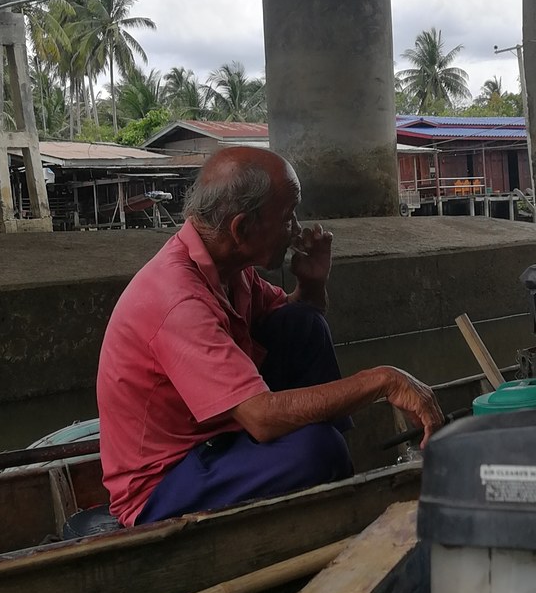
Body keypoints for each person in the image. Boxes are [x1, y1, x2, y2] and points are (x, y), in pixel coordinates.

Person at [96, 146, 444, 526]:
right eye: (287, 216)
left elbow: (291, 320)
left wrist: (312, 286)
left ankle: (337, 470)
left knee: (303, 323)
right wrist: (383, 381)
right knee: (318, 449)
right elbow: (260, 417)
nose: (296, 228)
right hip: (165, 484)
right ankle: (332, 484)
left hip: (221, 437)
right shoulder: (178, 300)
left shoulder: (230, 269)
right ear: (242, 228)